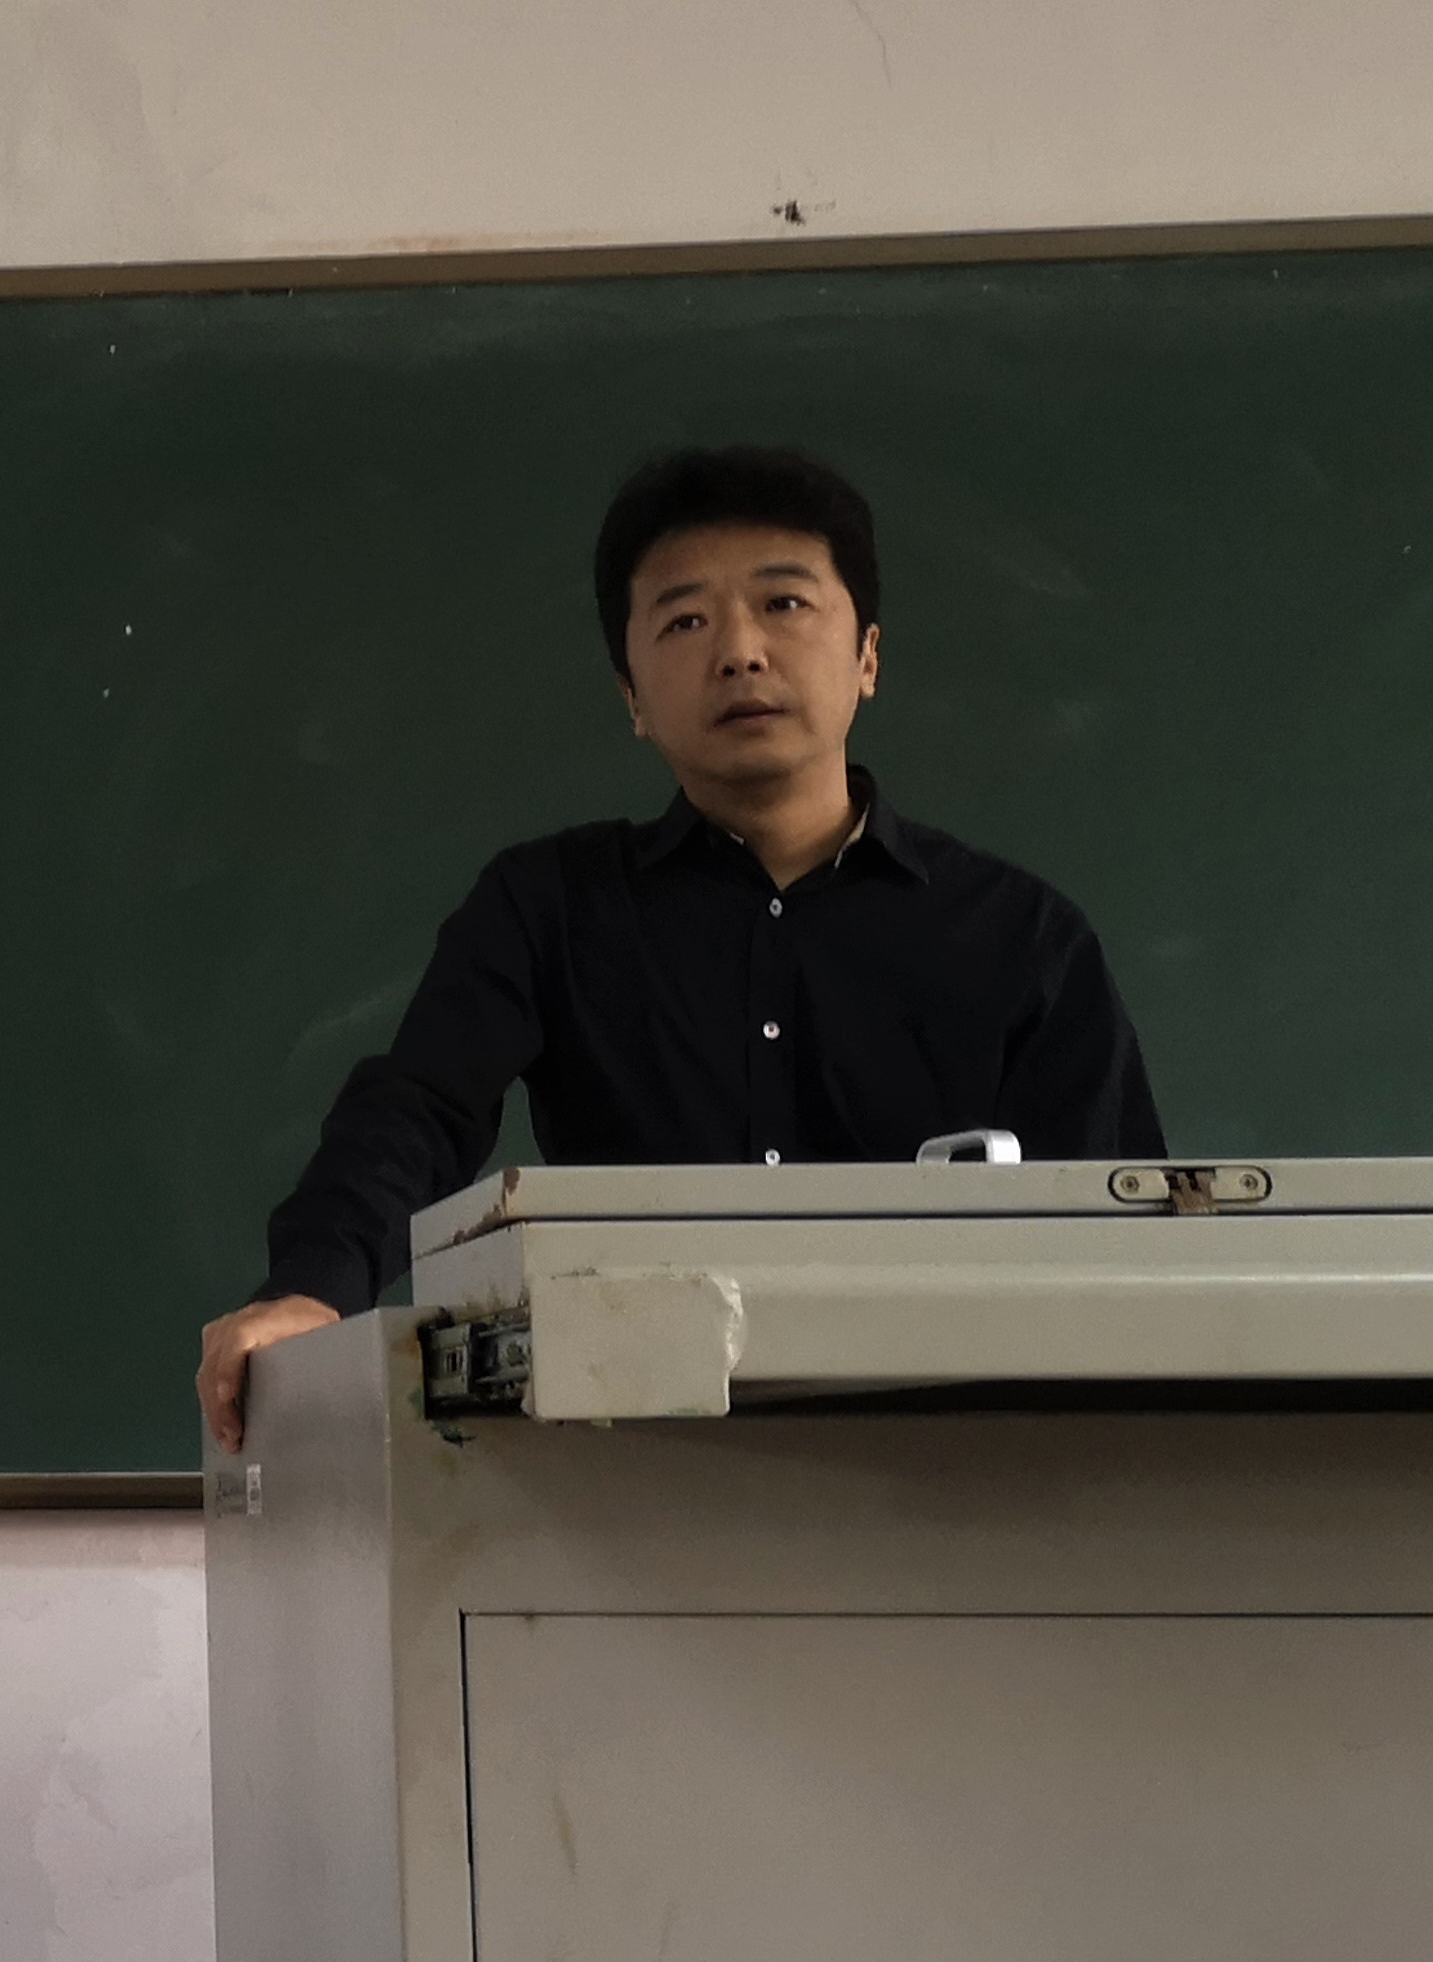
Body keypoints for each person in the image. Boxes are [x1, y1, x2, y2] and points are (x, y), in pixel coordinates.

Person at [196, 446, 1164, 1446]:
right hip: (631, 1466)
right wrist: (312, 1288)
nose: (739, 652)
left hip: (962, 1471)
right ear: (631, 697)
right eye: (684, 621)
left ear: (867, 658)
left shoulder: (1020, 936)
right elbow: (419, 1109)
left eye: (784, 604)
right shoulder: (550, 906)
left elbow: (1130, 1246)